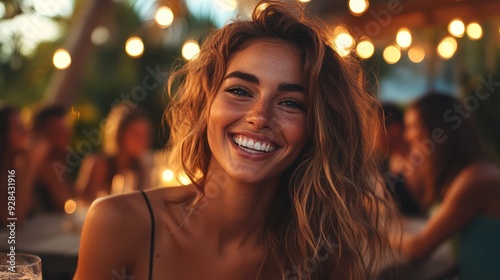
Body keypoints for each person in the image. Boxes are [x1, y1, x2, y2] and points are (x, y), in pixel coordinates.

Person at [74, 1, 398, 279]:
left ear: (316, 128)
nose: (260, 117)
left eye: (290, 102)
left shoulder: (320, 256)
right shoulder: (118, 226)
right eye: (240, 91)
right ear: (206, 105)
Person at [399, 93, 500, 279]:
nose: (407, 135)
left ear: (438, 131)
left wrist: (378, 235)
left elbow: (420, 248)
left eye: (413, 127)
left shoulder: (476, 179)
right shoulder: (469, 174)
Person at [75, 103, 153, 202]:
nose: (143, 140)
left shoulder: (141, 167)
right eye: (136, 134)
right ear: (120, 134)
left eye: (145, 134)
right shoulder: (99, 165)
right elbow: (82, 202)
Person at [30, 105, 74, 213]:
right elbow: (64, 203)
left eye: (65, 130)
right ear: (40, 135)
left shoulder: (58, 160)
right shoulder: (38, 165)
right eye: (57, 132)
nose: (64, 137)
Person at [380, 103, 421, 216]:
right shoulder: (383, 163)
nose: (370, 136)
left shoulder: (420, 160)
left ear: (395, 128)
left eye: (374, 128)